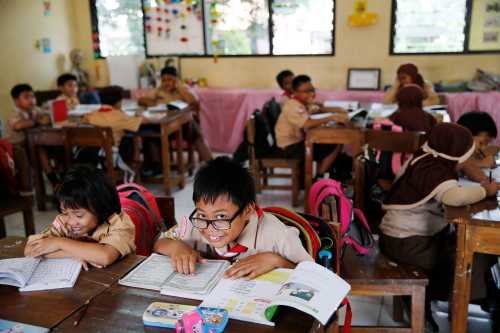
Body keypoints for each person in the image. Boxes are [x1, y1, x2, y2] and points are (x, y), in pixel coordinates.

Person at [378, 123, 497, 328]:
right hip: (406, 244)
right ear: (455, 153)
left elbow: (461, 169)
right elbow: (453, 196)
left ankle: (483, 294)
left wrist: (480, 180)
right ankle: (472, 299)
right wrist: (485, 191)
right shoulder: (433, 170)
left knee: (462, 247)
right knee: (463, 257)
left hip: (402, 237)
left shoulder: (428, 158)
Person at [154, 156, 312, 278]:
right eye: (202, 214)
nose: (210, 229)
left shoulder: (279, 236)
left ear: (247, 210)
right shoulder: (196, 224)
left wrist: (275, 260)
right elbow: (160, 242)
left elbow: (314, 276)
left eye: (221, 216)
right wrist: (177, 247)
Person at [24, 165, 136, 270]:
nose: (71, 221)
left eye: (79, 215)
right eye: (64, 212)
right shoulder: (64, 221)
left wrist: (59, 243)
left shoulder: (120, 223)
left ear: (100, 208)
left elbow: (105, 256)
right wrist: (72, 255)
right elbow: (30, 250)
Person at [138, 66, 212, 173]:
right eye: (164, 80)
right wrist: (154, 102)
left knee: (197, 134)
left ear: (176, 79)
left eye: (170, 79)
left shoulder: (183, 89)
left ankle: (212, 165)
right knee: (149, 132)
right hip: (166, 125)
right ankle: (157, 167)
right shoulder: (159, 90)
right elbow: (141, 100)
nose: (167, 83)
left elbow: (195, 103)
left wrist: (179, 89)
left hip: (185, 124)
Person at [275, 75, 348, 178]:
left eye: (312, 90)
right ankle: (319, 176)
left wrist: (338, 110)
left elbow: (318, 109)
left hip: (298, 142)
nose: (312, 94)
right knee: (336, 142)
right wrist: (331, 117)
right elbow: (306, 123)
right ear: (295, 92)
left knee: (331, 141)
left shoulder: (303, 102)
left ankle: (321, 174)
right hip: (290, 147)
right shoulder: (292, 106)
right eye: (306, 91)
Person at [6, 84, 53, 197]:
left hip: (32, 144)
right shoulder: (14, 112)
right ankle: (31, 189)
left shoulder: (35, 109)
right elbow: (17, 125)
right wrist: (37, 121)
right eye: (26, 97)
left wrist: (45, 117)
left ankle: (54, 179)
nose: (31, 100)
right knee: (38, 151)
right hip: (17, 146)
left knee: (43, 150)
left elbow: (47, 116)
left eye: (33, 96)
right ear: (16, 101)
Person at [83, 85, 143, 163]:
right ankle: (135, 166)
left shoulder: (89, 116)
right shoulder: (120, 116)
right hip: (111, 157)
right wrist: (138, 114)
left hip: (90, 156)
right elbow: (141, 122)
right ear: (118, 102)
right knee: (130, 139)